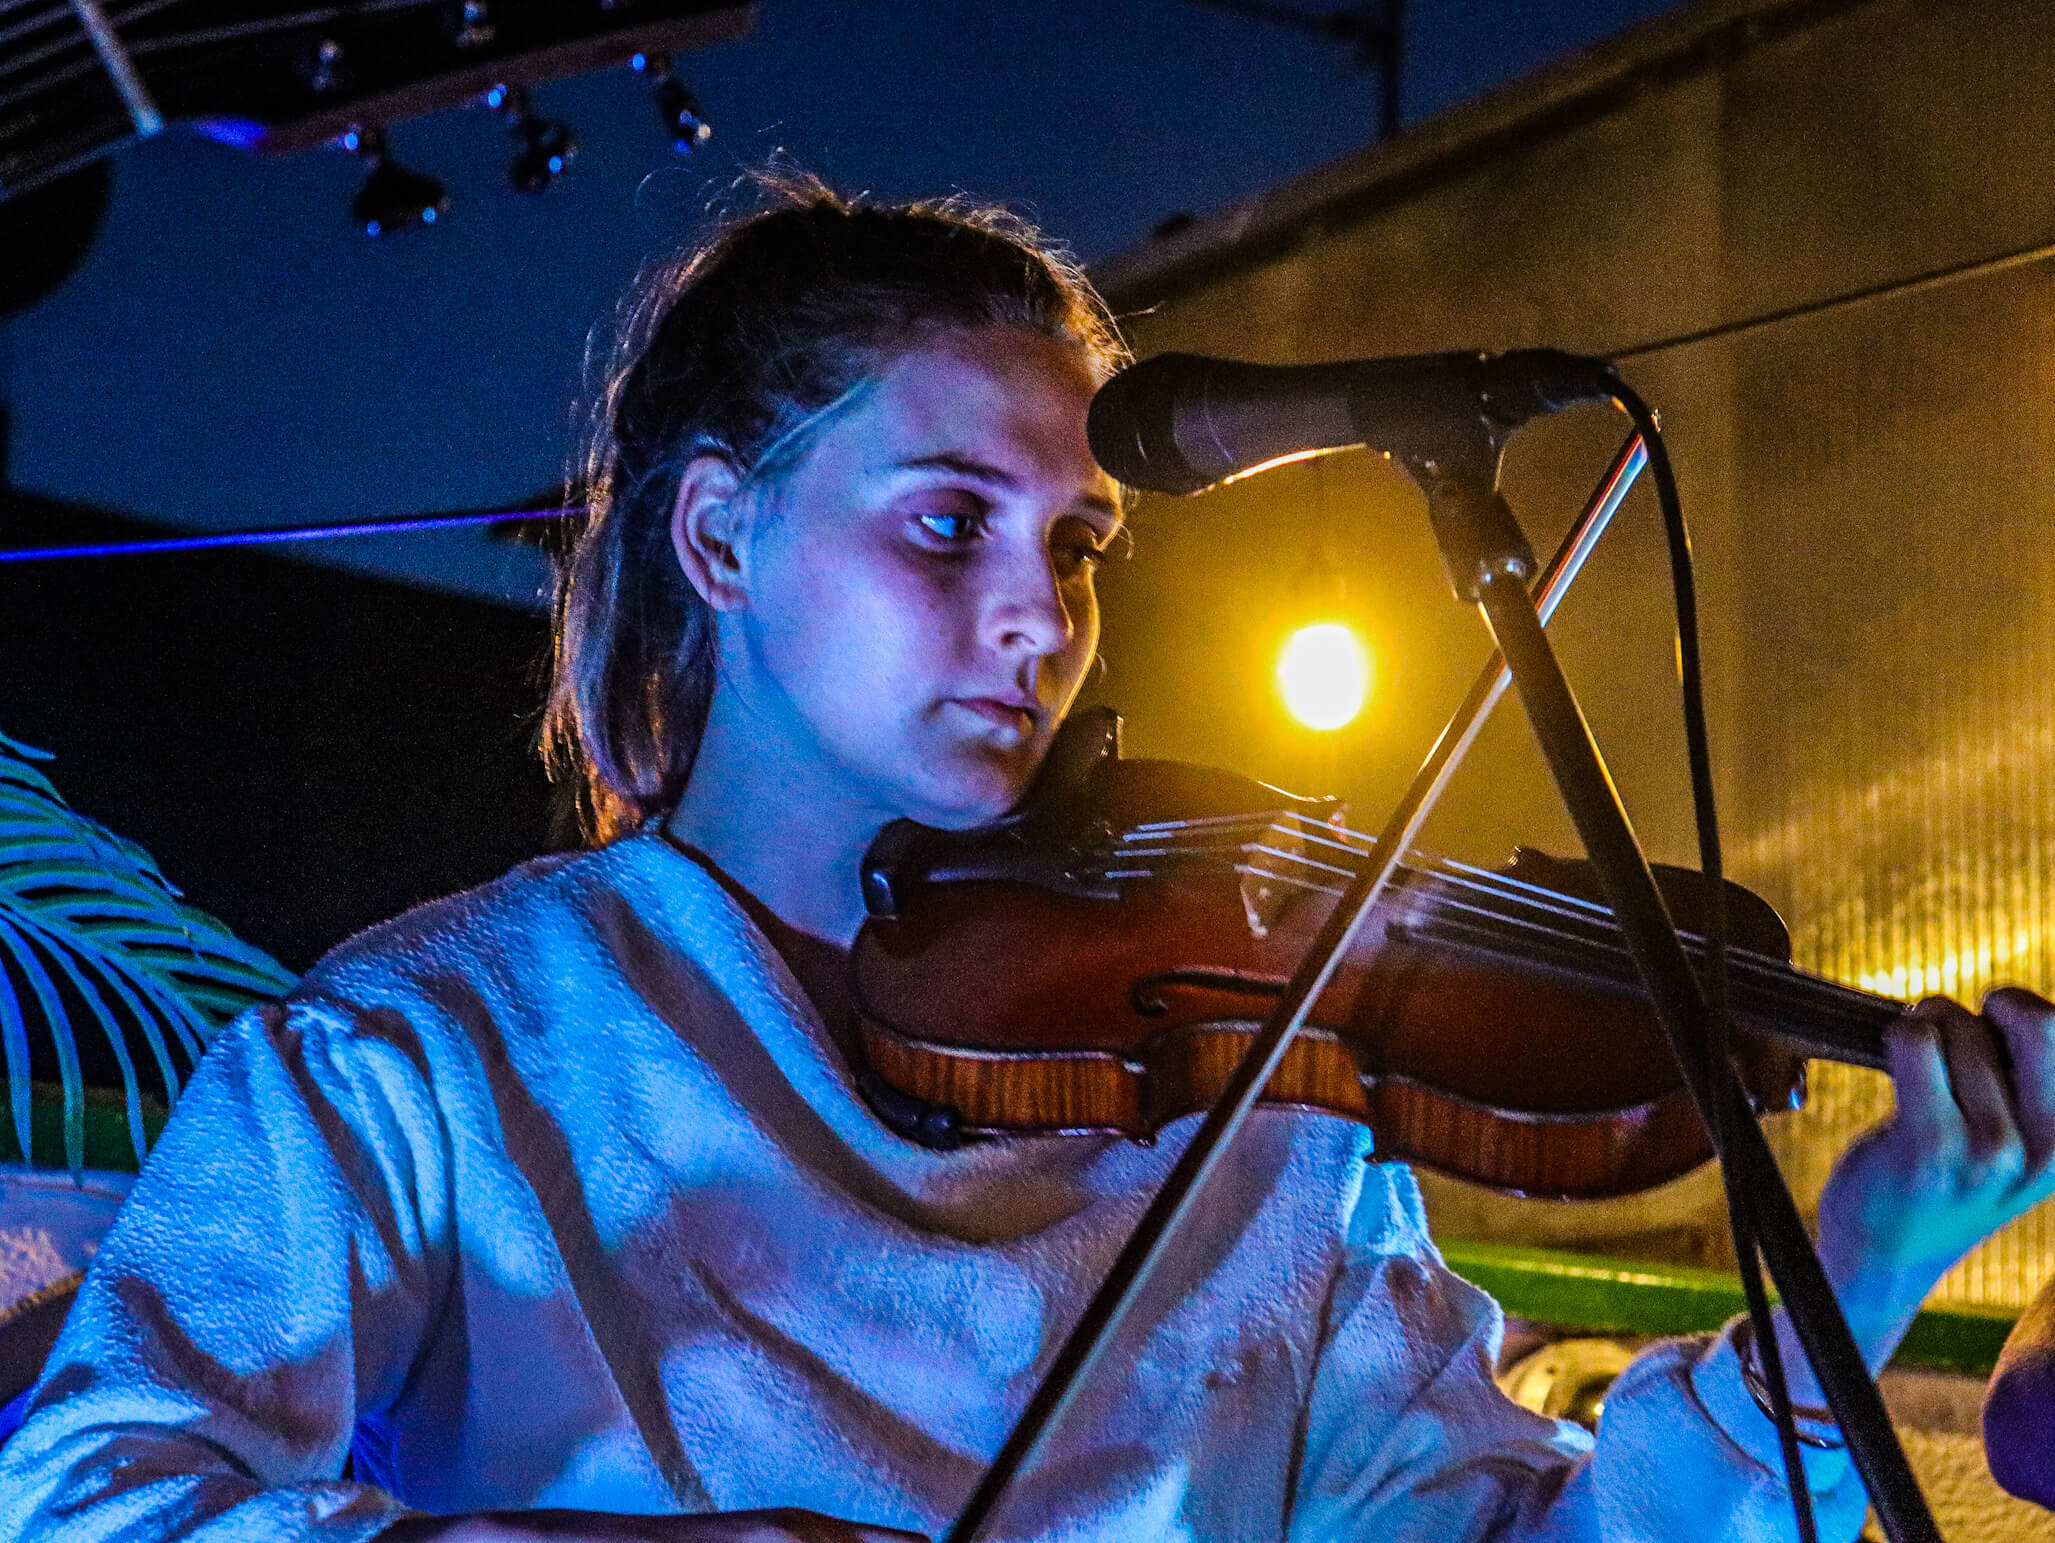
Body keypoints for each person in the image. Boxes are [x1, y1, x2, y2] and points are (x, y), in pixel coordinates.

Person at [3, 173, 2054, 1543]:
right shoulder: (432, 1042)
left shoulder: (1250, 1107)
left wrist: (1858, 1259)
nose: (1038, 616)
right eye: (945, 521)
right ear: (716, 537)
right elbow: (88, 1491)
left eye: (1072, 545)